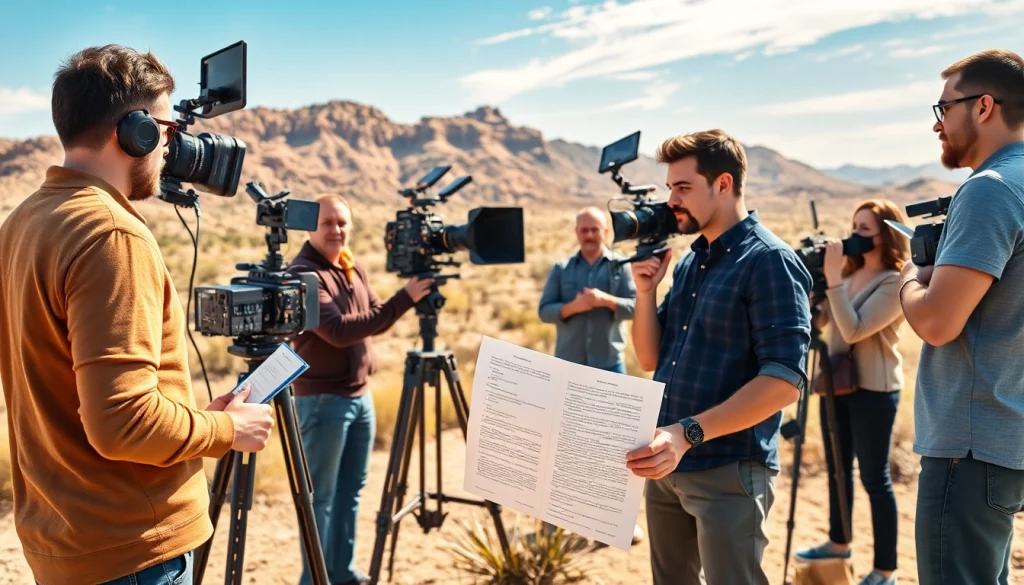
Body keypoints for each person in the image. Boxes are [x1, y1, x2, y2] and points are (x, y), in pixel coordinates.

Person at [0, 45, 275, 585]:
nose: (172, 148)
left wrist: (191, 417)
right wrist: (224, 429)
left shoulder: (24, 221)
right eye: (168, 130)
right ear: (137, 132)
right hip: (131, 549)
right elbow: (122, 424)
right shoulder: (111, 234)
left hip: (67, 539)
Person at [624, 129, 812, 585]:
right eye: (670, 188)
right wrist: (644, 293)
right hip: (666, 464)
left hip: (729, 469)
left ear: (723, 184)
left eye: (683, 187)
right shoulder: (692, 260)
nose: (672, 200)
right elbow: (650, 356)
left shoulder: (770, 261)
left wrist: (688, 432)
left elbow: (785, 380)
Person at [898, 48, 1024, 585]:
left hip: (969, 445)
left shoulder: (989, 191)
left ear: (984, 106)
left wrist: (908, 277)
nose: (936, 123)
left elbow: (936, 323)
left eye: (944, 107)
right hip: (1007, 434)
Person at [286, 195, 432, 585]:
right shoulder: (305, 275)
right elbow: (337, 332)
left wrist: (399, 303)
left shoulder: (352, 266)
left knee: (350, 493)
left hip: (358, 396)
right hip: (322, 402)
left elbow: (375, 317)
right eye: (329, 223)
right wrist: (406, 298)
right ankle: (315, 579)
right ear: (311, 228)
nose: (337, 230)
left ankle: (342, 573)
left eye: (343, 223)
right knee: (322, 501)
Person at [793, 200, 911, 585]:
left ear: (886, 235)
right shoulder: (848, 272)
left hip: (875, 390)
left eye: (865, 229)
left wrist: (833, 281)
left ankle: (885, 571)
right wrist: (817, 292)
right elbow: (827, 322)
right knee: (838, 471)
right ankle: (838, 543)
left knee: (874, 478)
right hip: (837, 384)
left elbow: (856, 329)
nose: (854, 236)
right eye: (854, 226)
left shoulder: (896, 281)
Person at [537, 205, 642, 544]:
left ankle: (609, 521)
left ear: (606, 233)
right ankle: (555, 522)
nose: (589, 235)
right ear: (576, 232)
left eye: (595, 229)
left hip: (609, 365)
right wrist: (573, 308)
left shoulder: (620, 267)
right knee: (564, 446)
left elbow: (638, 306)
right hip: (568, 368)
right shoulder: (561, 268)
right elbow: (544, 311)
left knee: (613, 450)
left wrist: (605, 301)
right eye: (584, 229)